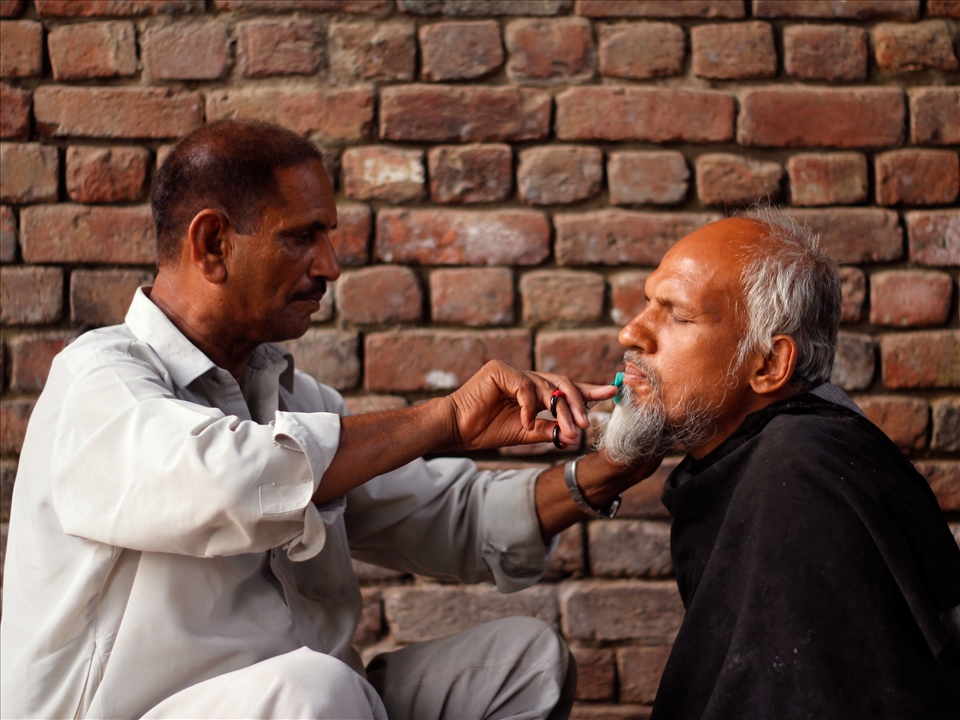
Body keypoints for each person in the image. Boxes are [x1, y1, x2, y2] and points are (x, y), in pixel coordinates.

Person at [0, 120, 658, 720]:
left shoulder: (299, 403)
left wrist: (617, 463)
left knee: (526, 664)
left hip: (317, 707)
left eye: (328, 236)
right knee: (316, 691)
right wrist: (444, 417)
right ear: (211, 244)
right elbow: (232, 483)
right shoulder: (97, 380)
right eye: (300, 237)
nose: (330, 266)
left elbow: (457, 519)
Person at [598, 207, 960, 719]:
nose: (631, 334)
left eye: (676, 315)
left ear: (768, 364)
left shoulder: (799, 474)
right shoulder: (765, 455)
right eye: (647, 304)